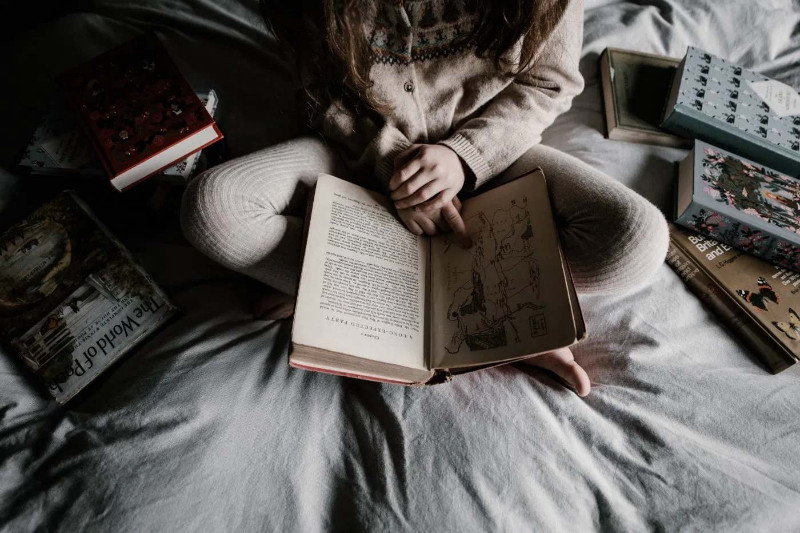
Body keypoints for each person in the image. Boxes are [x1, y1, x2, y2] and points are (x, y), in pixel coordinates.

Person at [180, 0, 669, 396]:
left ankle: (489, 324)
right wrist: (397, 168)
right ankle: (351, 292)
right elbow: (325, 93)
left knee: (635, 240)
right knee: (213, 208)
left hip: (491, 154)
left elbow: (549, 82)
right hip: (352, 151)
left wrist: (462, 158)